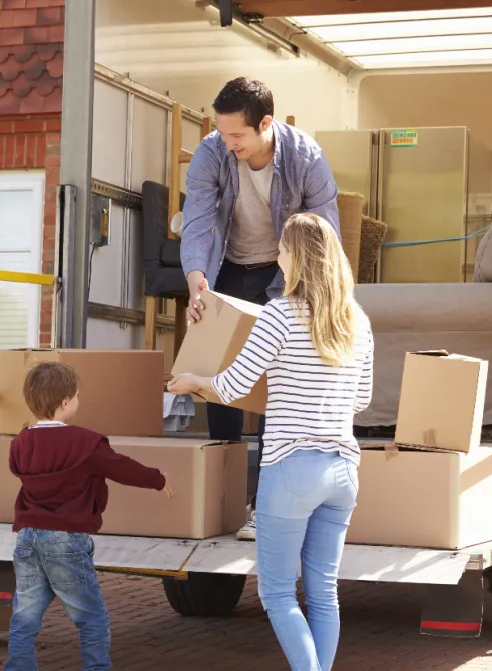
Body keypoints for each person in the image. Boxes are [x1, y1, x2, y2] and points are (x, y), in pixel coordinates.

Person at [169, 213, 374, 671]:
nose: (277, 256)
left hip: (290, 466)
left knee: (278, 593)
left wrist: (192, 381)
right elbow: (362, 399)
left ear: (297, 257)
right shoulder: (357, 320)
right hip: (342, 469)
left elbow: (234, 385)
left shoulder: (280, 314)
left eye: (282, 249)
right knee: (323, 592)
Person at [180, 76, 341, 541]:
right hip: (227, 269)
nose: (227, 143)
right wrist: (197, 281)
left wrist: (307, 297)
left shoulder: (305, 157)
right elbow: (198, 221)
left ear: (266, 124)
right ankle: (224, 499)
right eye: (221, 132)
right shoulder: (213, 152)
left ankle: (264, 506)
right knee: (221, 378)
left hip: (284, 274)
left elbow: (323, 233)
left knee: (277, 384)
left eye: (237, 136)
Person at [3, 361, 176, 671]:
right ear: (65, 402)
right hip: (66, 539)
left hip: (27, 536)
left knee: (24, 615)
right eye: (77, 396)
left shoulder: (20, 442)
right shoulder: (85, 443)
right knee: (91, 616)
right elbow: (121, 467)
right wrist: (158, 479)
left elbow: (17, 469)